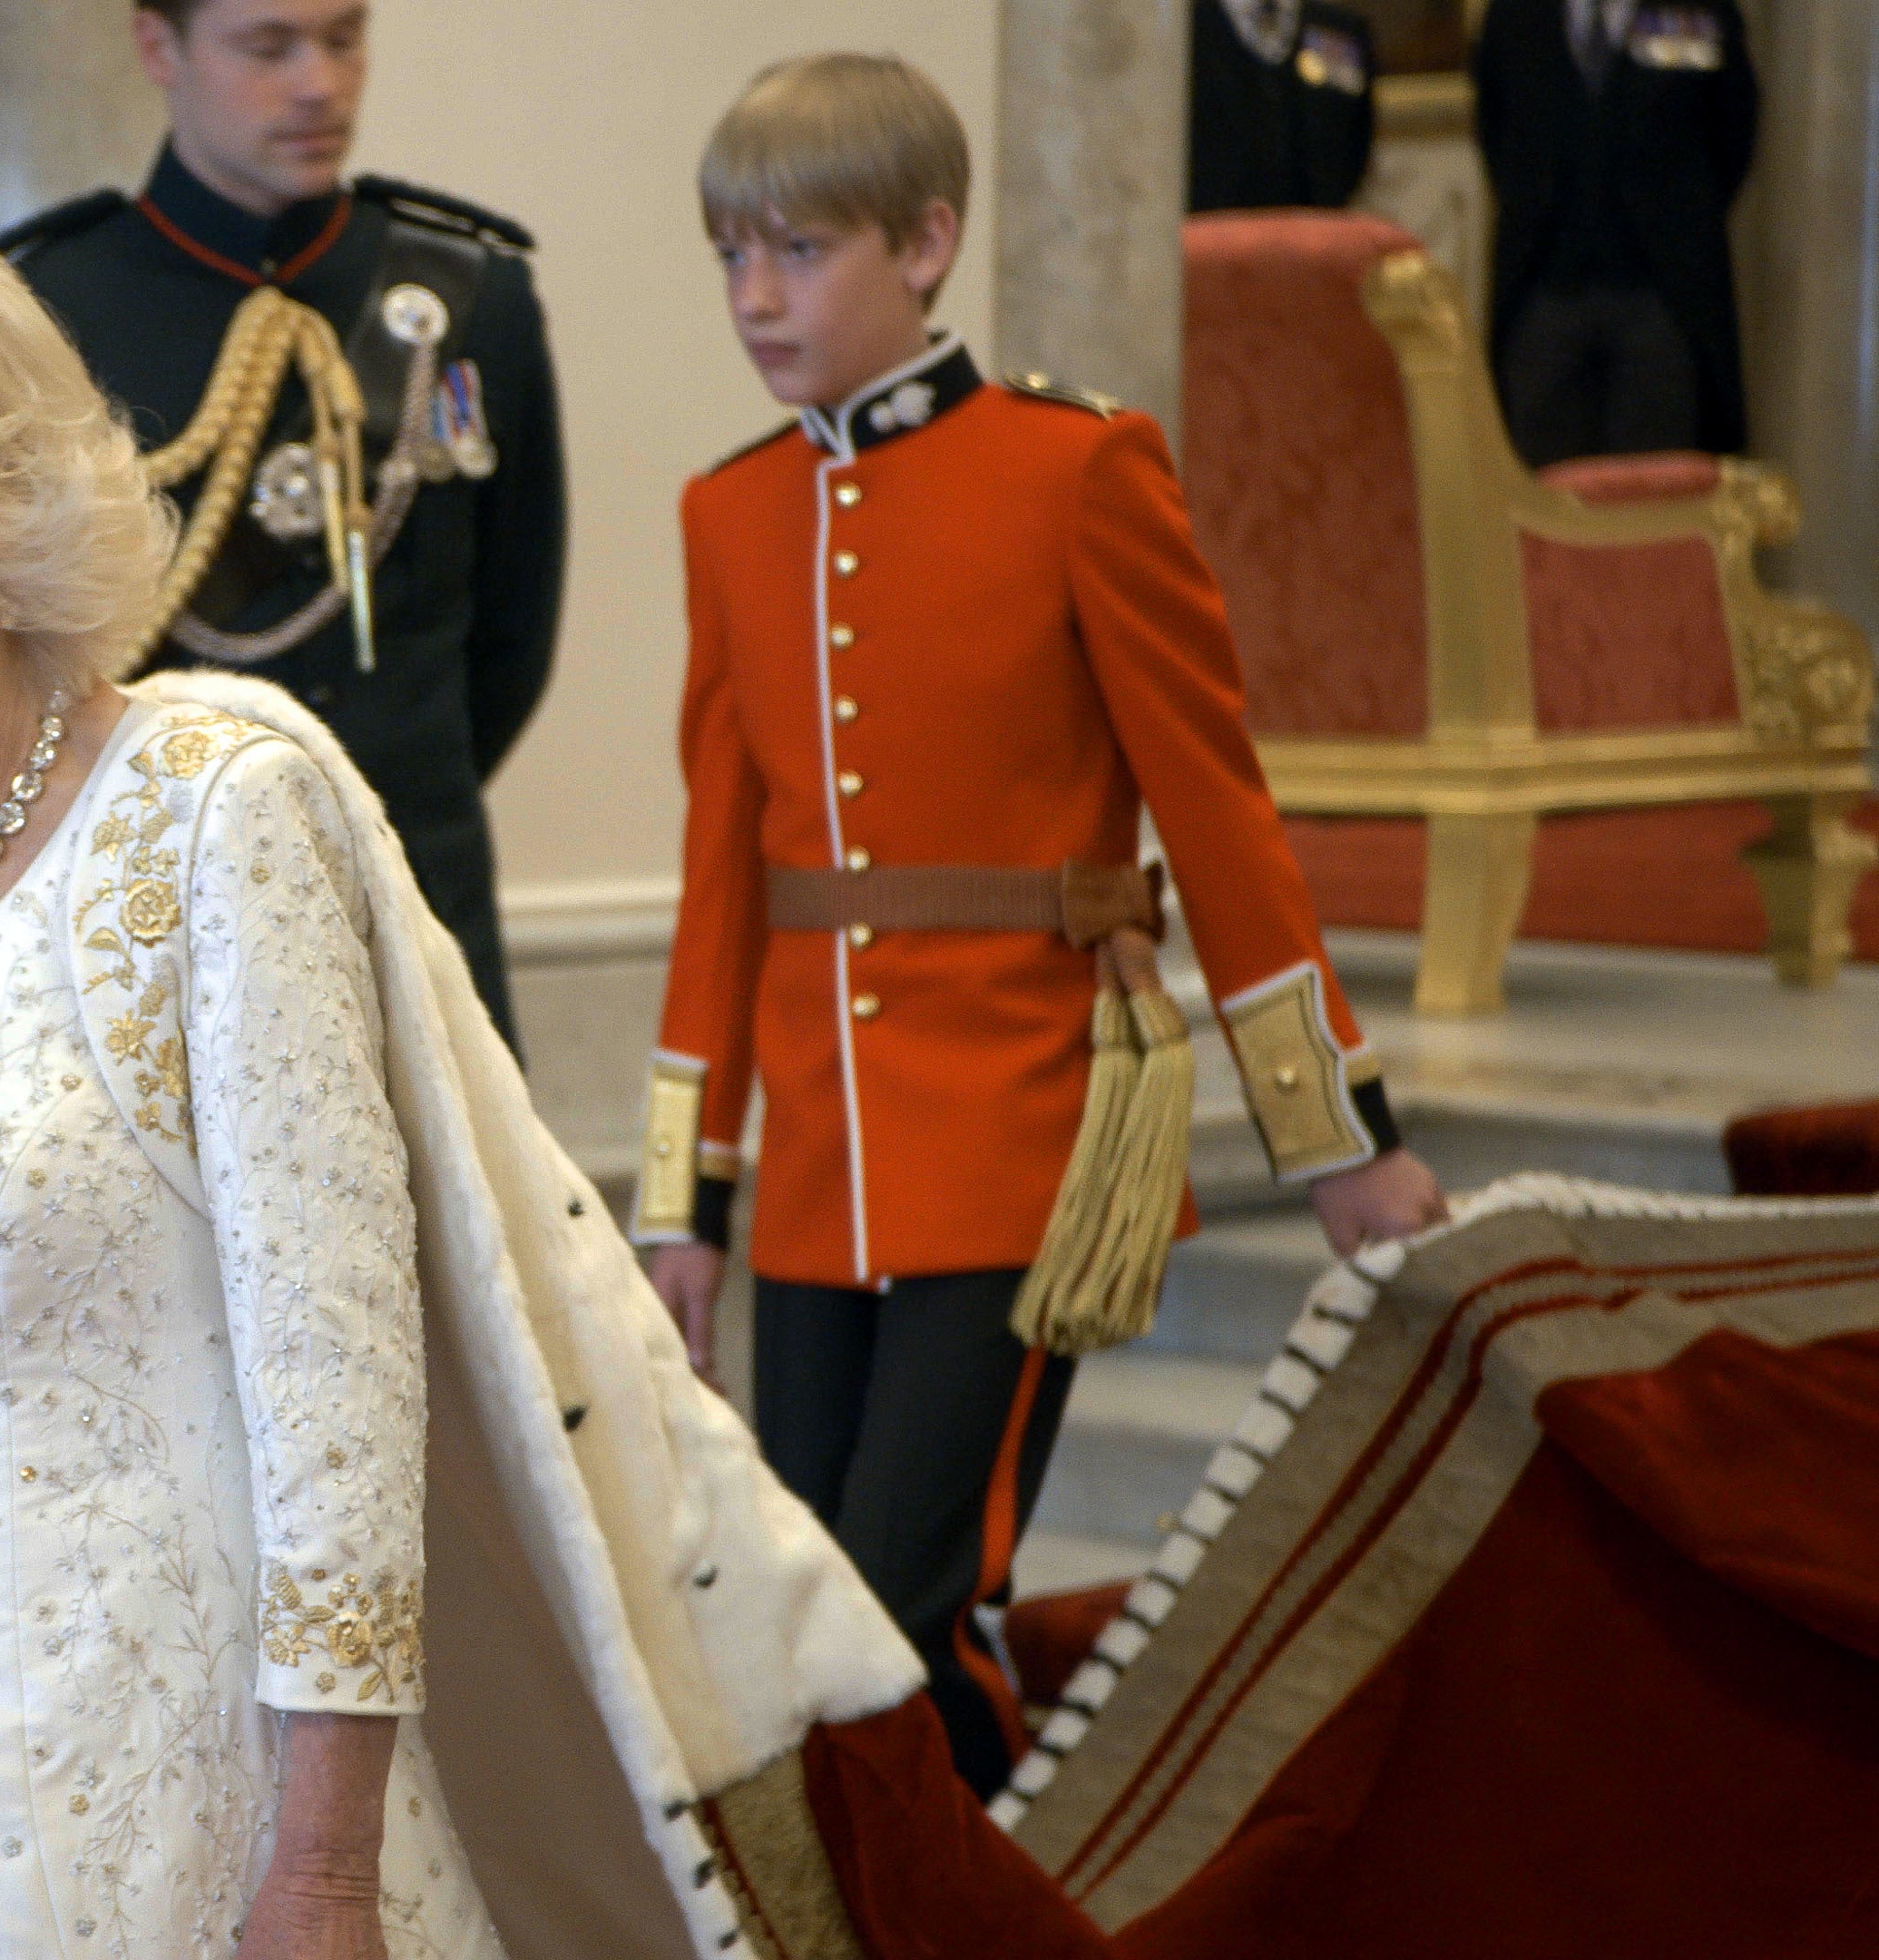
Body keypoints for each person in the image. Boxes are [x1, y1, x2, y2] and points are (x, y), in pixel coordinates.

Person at [0, 201, 989, 1960]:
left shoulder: (211, 806)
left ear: (2, 510)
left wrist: (321, 1869)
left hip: (144, 1809)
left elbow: (338, 1380)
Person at [631, 54, 1451, 1801]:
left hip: (1022, 1146)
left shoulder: (1075, 471)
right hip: (815, 1173)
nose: (755, 298)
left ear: (928, 243)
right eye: (728, 255)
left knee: (897, 1611)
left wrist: (1336, 1139)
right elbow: (724, 880)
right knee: (805, 1606)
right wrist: (677, 1197)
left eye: (800, 250)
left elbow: (1221, 827)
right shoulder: (729, 512)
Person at [0, 0, 566, 1047]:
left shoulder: (471, 298)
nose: (319, 84)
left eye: (344, 39)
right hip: (142, 918)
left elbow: (511, 639)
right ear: (158, 46)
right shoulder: (46, 309)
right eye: (270, 46)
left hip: (408, 901)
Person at [1474, 0, 1759, 466]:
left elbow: (1732, 133)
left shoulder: (1703, 10)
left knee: (1653, 497)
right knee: (1545, 493)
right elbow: (1497, 128)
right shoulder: (1513, 13)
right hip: (1544, 296)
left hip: (1662, 301)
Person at [1187, 0, 1378, 212]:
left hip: (1315, 229)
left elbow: (1357, 134)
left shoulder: (1339, 29)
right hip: (1208, 229)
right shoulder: (1182, 29)